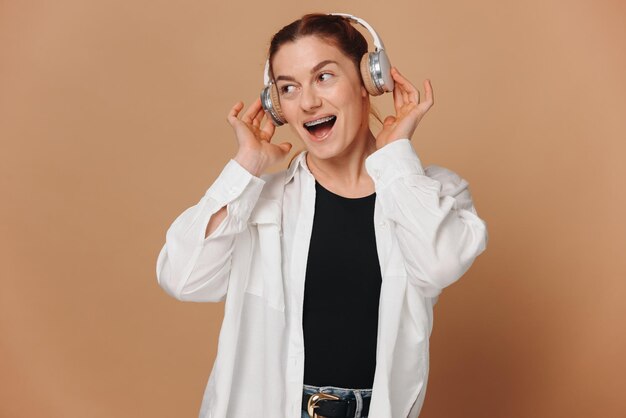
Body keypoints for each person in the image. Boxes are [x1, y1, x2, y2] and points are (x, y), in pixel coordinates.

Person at [156, 12, 488, 418]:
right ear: (278, 106)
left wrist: (395, 157)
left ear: (368, 83)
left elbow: (439, 265)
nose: (309, 101)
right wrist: (246, 166)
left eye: (324, 77)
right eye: (289, 88)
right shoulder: (263, 203)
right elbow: (183, 277)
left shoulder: (430, 192)